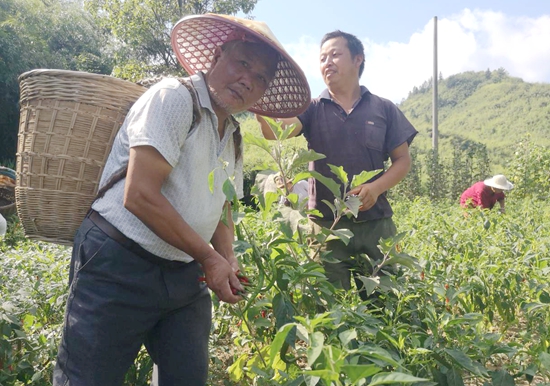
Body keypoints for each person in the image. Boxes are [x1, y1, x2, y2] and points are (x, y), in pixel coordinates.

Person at [53, 14, 310, 386]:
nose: (247, 80)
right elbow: (139, 195)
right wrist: (209, 257)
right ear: (218, 54)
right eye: (243, 63)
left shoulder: (234, 134)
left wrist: (227, 258)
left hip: (185, 274)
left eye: (260, 79)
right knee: (88, 378)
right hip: (119, 263)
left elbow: (222, 205)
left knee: (186, 377)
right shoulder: (174, 98)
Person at [256, 30, 417, 300]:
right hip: (326, 227)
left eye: (335, 54)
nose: (327, 62)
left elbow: (403, 161)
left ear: (358, 59)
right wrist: (260, 106)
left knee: (384, 306)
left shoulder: (383, 108)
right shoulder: (312, 108)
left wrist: (376, 188)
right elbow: (276, 132)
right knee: (330, 309)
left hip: (375, 224)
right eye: (322, 58)